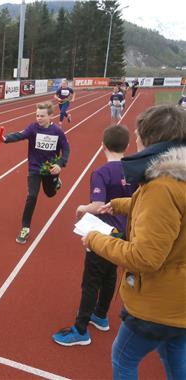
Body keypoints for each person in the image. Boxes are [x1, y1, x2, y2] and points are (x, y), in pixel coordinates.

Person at [82, 105, 186, 379]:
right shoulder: (177, 177)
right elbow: (169, 213)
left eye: (139, 134)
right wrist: (117, 204)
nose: (136, 139)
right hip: (179, 302)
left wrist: (95, 239)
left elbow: (145, 257)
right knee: (174, 355)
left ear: (152, 140)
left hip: (159, 303)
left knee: (124, 358)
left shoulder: (161, 186)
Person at [52, 125, 136, 346]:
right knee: (109, 276)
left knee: (91, 281)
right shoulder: (135, 171)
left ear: (103, 146)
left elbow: (99, 205)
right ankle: (100, 315)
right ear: (127, 146)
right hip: (125, 234)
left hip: (102, 234)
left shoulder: (101, 173)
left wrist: (81, 207)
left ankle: (80, 331)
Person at [0, 101, 70, 244]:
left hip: (50, 169)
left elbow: (66, 149)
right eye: (37, 115)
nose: (38, 118)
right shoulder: (33, 128)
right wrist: (5, 139)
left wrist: (60, 164)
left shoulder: (57, 131)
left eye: (42, 116)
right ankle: (25, 228)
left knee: (50, 193)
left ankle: (57, 182)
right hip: (35, 168)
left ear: (50, 116)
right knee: (32, 196)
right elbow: (21, 135)